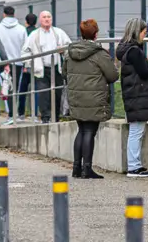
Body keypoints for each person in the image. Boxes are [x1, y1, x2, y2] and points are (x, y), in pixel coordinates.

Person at [63, 19, 119, 179]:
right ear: (95, 34)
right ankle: (87, 168)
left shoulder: (69, 53)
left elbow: (64, 74)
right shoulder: (99, 54)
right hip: (94, 98)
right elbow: (113, 75)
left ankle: (76, 167)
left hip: (76, 97)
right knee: (89, 131)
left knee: (81, 130)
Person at [116, 18, 148, 178]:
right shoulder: (135, 51)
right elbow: (144, 72)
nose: (146, 35)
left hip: (132, 93)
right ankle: (134, 167)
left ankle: (134, 165)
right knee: (136, 131)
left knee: (135, 131)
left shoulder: (126, 49)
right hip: (138, 93)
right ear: (137, 32)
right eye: (144, 32)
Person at [20, 10, 70, 123]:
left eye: (49, 17)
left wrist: (63, 51)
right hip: (42, 69)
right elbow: (25, 52)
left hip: (57, 69)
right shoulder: (34, 35)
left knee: (57, 94)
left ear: (51, 19)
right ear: (40, 20)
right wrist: (31, 64)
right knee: (44, 94)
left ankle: (56, 117)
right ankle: (45, 118)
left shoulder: (59, 32)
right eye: (44, 17)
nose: (47, 19)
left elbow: (69, 46)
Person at [0, 6, 28, 123]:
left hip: (2, 62)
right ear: (14, 14)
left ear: (4, 14)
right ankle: (14, 113)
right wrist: (25, 62)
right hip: (17, 62)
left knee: (5, 88)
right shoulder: (22, 29)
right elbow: (25, 47)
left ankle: (10, 114)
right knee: (15, 88)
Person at [17, 12, 39, 117]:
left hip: (26, 65)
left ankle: (21, 113)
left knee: (23, 90)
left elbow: (24, 49)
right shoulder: (39, 32)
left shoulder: (24, 32)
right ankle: (34, 113)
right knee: (36, 90)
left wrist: (25, 65)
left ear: (26, 22)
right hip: (37, 65)